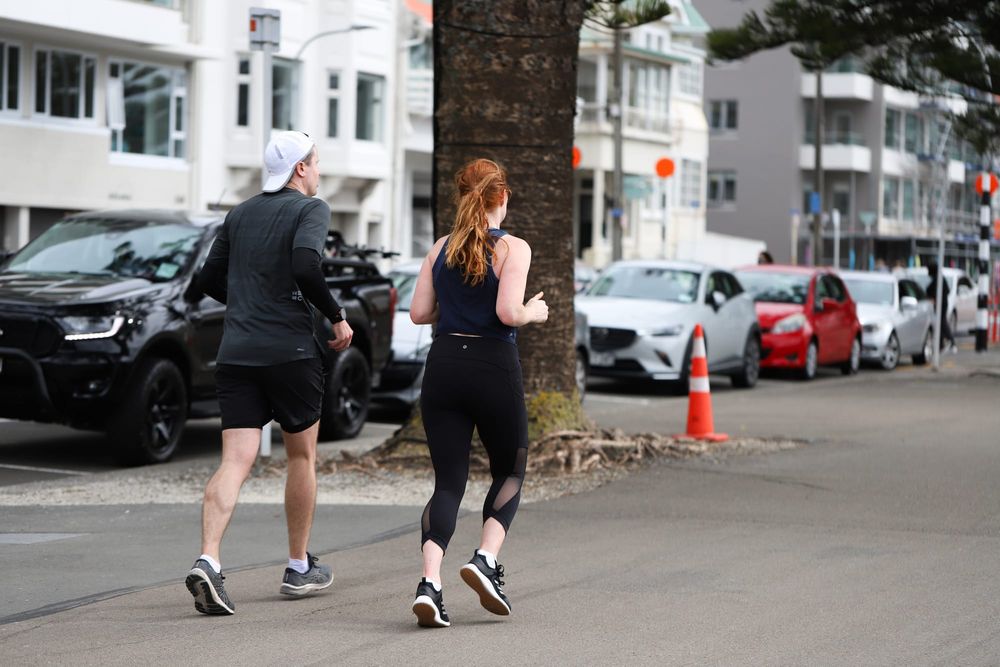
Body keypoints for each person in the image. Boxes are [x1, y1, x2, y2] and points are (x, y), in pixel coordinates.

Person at [184, 131, 353, 616]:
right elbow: (305, 265)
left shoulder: (240, 213)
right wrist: (336, 316)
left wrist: (247, 307)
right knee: (301, 457)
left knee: (236, 460)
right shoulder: (310, 209)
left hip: (237, 352)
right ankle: (298, 567)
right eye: (316, 162)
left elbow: (206, 280)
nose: (318, 171)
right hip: (291, 352)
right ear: (301, 168)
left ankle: (209, 560)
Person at [407, 158, 548, 628]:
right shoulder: (513, 248)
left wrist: (459, 300)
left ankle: (430, 584)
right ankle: (485, 560)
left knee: (448, 482)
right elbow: (508, 313)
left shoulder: (441, 249)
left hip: (444, 364)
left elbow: (419, 313)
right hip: (492, 365)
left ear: (462, 195)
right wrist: (534, 312)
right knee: (511, 468)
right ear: (501, 196)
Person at [928, 261, 956, 353]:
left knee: (942, 323)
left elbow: (930, 290)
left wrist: (936, 297)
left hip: (941, 304)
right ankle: (941, 345)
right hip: (942, 304)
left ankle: (951, 341)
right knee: (940, 323)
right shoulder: (939, 278)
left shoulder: (938, 279)